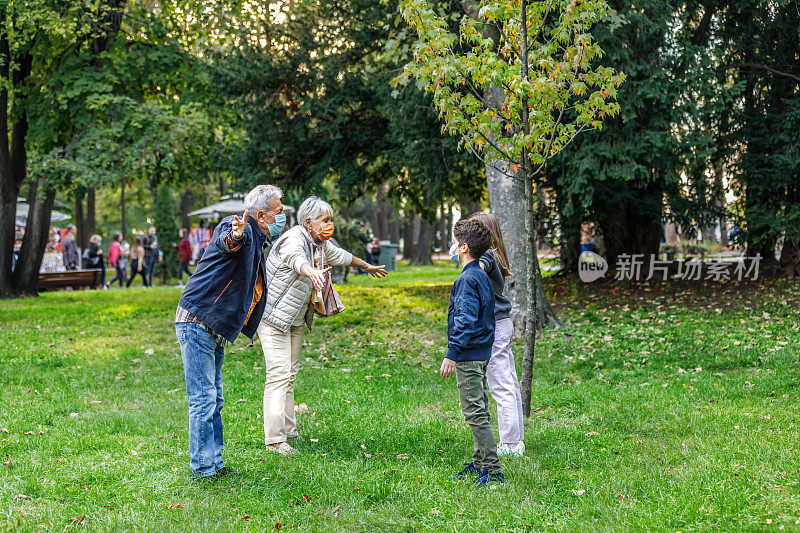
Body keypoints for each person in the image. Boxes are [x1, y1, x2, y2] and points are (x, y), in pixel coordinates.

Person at [258, 196, 387, 456]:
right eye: (324, 220)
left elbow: (339, 255)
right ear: (309, 222)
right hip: (273, 318)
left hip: (294, 319)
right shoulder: (294, 238)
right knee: (278, 374)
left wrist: (365, 265)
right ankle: (274, 440)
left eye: (331, 220)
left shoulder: (318, 243)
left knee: (289, 374)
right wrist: (311, 271)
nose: (329, 225)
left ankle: (289, 430)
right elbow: (296, 258)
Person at [175, 185, 286, 479]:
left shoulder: (260, 239)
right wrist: (235, 236)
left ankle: (216, 464)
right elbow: (229, 240)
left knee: (215, 399)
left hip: (215, 326)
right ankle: (203, 469)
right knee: (203, 399)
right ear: (261, 215)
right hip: (198, 319)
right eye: (278, 211)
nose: (283, 216)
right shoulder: (242, 228)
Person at [440, 218, 504, 488]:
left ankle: (492, 469)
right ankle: (479, 461)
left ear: (464, 247)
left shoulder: (468, 279)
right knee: (481, 408)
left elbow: (465, 320)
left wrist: (452, 353)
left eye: (456, 243)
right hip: (482, 352)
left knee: (474, 412)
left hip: (468, 354)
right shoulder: (481, 274)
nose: (453, 247)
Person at [470, 212, 525, 457]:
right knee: (509, 383)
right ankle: (516, 440)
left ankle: (511, 445)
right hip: (502, 324)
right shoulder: (495, 253)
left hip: (494, 326)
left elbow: (476, 270)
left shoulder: (486, 256)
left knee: (501, 386)